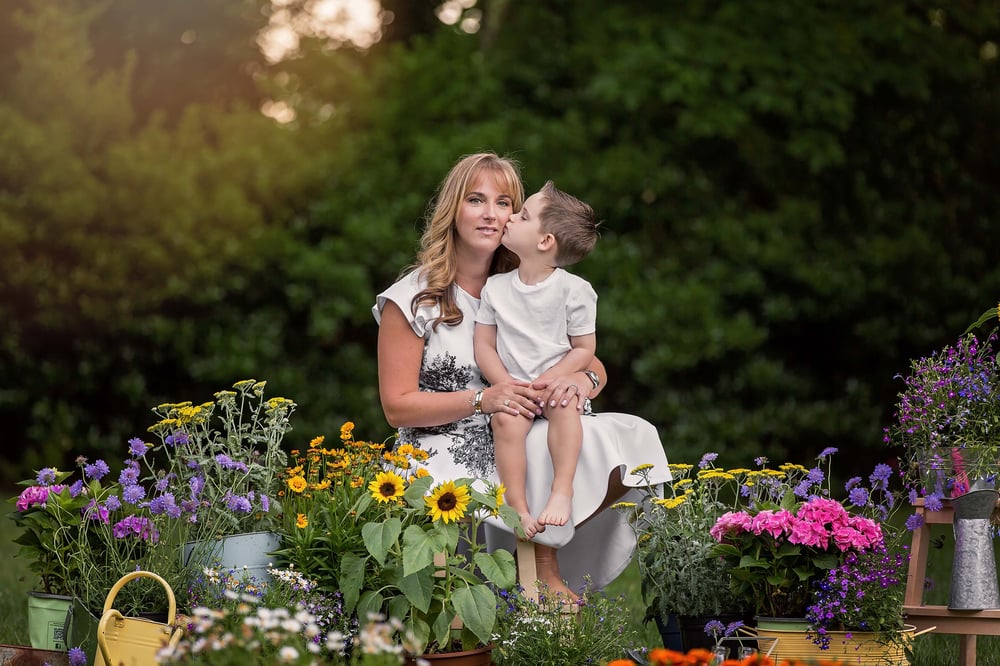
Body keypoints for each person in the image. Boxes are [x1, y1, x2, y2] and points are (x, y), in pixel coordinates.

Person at [372, 152, 669, 600]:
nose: (492, 214)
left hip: (524, 426)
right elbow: (397, 407)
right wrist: (483, 400)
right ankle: (538, 581)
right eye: (476, 200)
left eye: (506, 202)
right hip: (446, 444)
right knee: (528, 439)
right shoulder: (414, 299)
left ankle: (545, 555)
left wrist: (580, 383)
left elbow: (589, 361)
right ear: (453, 208)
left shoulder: (526, 284)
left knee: (624, 434)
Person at [473, 180, 600, 538]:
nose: (510, 218)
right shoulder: (496, 289)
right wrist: (505, 385)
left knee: (564, 408)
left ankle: (562, 491)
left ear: (545, 242)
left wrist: (555, 379)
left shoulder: (574, 291)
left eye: (522, 215)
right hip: (514, 389)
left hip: (554, 386)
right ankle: (519, 508)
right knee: (505, 424)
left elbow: (583, 349)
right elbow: (484, 344)